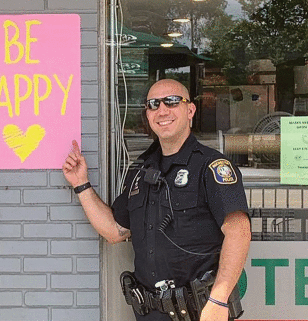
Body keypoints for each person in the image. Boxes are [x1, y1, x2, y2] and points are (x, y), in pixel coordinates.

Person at [62, 79, 251, 321]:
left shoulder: (211, 166)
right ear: (148, 115)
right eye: (153, 104)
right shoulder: (141, 170)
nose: (162, 110)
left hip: (201, 312)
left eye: (172, 101)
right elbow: (115, 231)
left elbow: (239, 231)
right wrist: (81, 183)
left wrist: (219, 298)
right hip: (150, 313)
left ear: (190, 110)